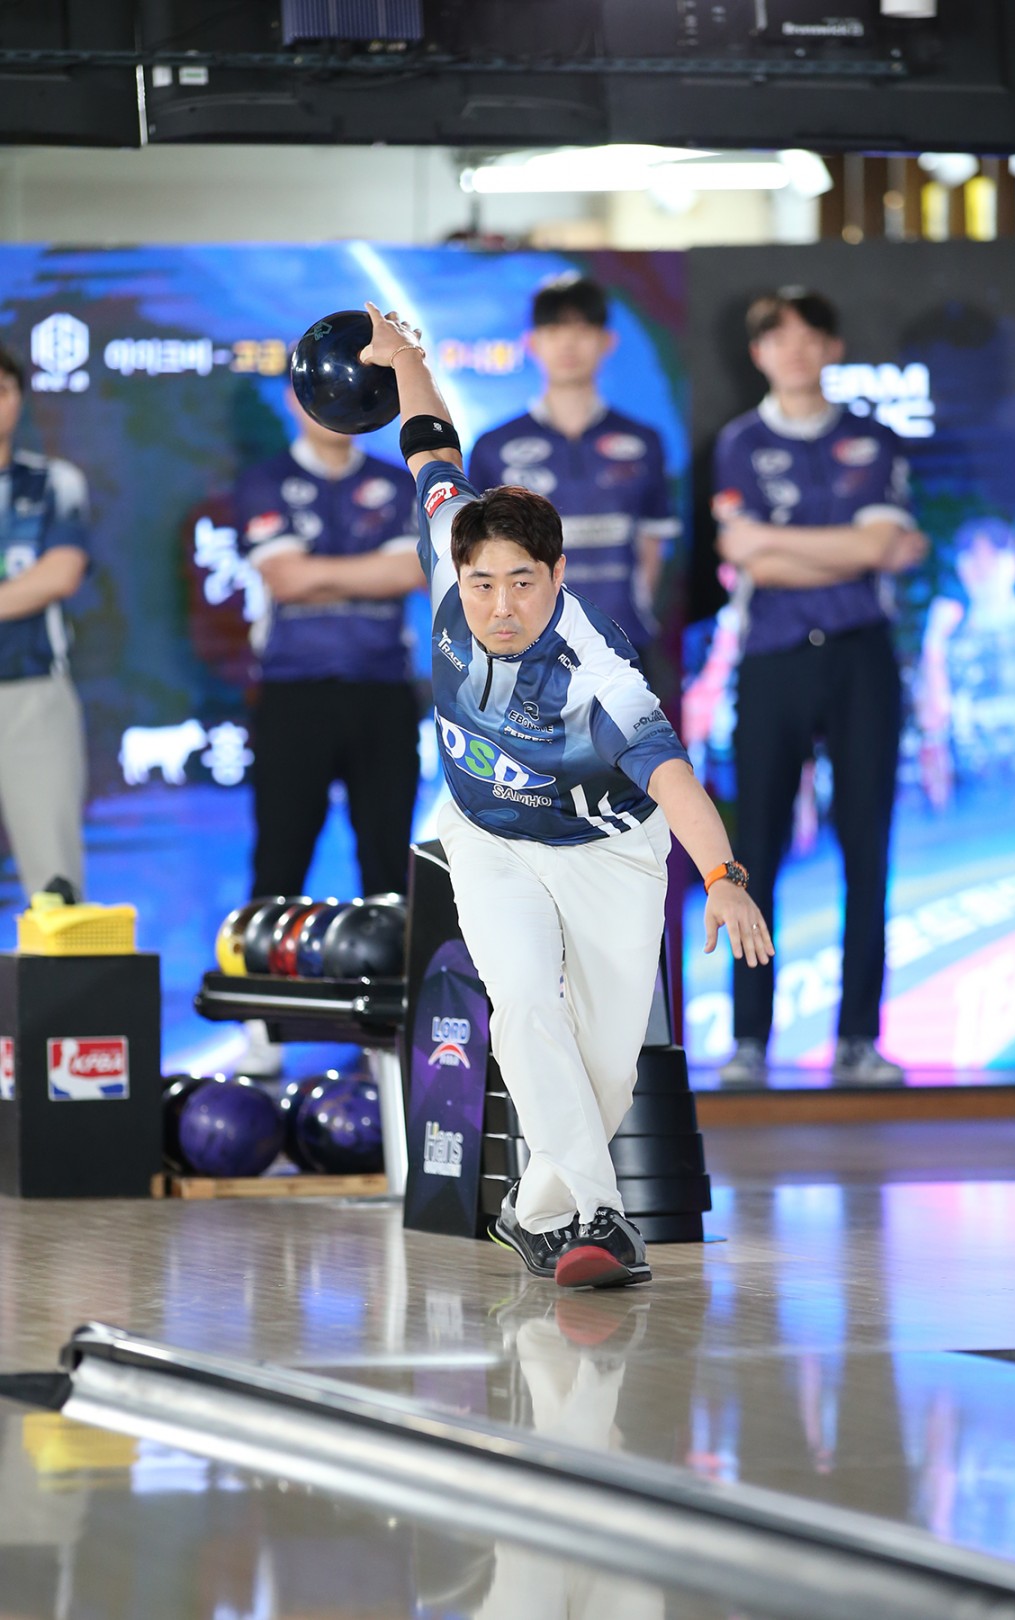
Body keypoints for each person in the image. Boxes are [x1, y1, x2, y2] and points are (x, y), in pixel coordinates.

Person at [360, 301, 772, 1290]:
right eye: (482, 584)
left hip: (608, 851)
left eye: (523, 583)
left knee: (603, 1063)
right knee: (522, 1004)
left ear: (557, 575)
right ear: (456, 568)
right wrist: (405, 357)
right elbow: (430, 445)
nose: (499, 605)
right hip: (488, 837)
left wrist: (722, 877)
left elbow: (672, 777)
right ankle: (598, 1218)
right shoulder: (451, 542)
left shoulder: (600, 675)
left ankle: (532, 1209)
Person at [712, 289, 928, 1087]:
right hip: (773, 656)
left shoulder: (873, 437)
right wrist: (851, 549)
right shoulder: (738, 442)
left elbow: (881, 548)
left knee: (867, 846)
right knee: (755, 851)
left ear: (833, 348)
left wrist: (780, 544)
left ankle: (858, 1039)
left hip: (861, 656)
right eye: (779, 339)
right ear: (759, 353)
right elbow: (751, 561)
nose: (796, 351)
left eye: (811, 337)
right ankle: (748, 1039)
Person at [233, 379, 425, 1075]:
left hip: (383, 691)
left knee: (388, 867)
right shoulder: (264, 481)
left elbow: (414, 571)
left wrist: (323, 571)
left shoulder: (397, 481)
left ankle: (390, 1033)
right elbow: (286, 580)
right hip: (294, 694)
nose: (335, 410)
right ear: (295, 401)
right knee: (279, 861)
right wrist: (371, 570)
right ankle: (260, 1024)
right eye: (318, 394)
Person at [468, 274, 679, 658]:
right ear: (532, 343)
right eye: (554, 329)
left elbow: (652, 543)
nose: (568, 343)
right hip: (528, 649)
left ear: (607, 341)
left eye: (582, 329)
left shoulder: (643, 442)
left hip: (621, 645)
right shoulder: (492, 447)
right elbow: (475, 557)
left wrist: (634, 611)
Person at [0, 343, 90, 901]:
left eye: (1, 390)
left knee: (54, 881)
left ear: (19, 400)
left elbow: (59, 575)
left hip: (31, 691)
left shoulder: (55, 481)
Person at [916, 517, 1015, 808]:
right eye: (972, 557)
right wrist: (934, 642)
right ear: (961, 568)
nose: (984, 566)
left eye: (994, 555)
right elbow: (932, 724)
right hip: (977, 802)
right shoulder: (949, 640)